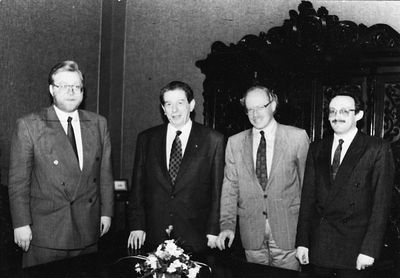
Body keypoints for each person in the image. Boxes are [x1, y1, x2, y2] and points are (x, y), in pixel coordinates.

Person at [8, 60, 114, 268]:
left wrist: (107, 212)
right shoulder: (30, 125)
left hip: (87, 227)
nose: (71, 91)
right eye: (64, 86)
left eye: (76, 86)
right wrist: (21, 224)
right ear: (51, 90)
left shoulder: (98, 123)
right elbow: (18, 181)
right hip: (46, 232)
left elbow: (105, 173)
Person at [295, 89, 394, 278]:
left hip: (355, 247)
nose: (336, 116)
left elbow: (380, 206)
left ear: (358, 115)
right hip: (320, 245)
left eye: (343, 111)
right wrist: (303, 242)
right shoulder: (317, 147)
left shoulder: (376, 148)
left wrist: (369, 250)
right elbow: (307, 199)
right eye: (332, 111)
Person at [127, 81, 225, 261]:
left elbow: (218, 192)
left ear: (192, 105)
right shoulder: (146, 139)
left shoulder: (213, 140)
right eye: (168, 104)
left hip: (196, 235)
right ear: (163, 109)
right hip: (154, 234)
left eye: (180, 103)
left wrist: (214, 230)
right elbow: (137, 188)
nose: (175, 110)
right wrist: (137, 225)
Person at [217, 85, 310, 271]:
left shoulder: (297, 138)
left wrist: (306, 236)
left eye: (261, 107)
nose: (255, 114)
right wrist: (227, 225)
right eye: (250, 109)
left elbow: (308, 189)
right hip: (251, 233)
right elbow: (230, 188)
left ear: (273, 105)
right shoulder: (234, 143)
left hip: (288, 232)